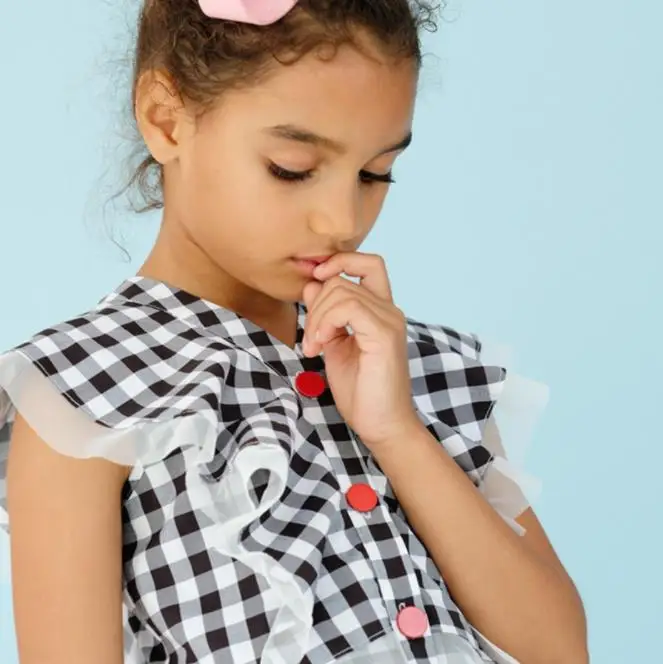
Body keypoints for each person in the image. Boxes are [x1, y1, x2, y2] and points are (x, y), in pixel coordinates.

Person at [0, 1, 588, 663]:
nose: (341, 220)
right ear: (165, 119)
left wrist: (396, 432)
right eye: (292, 167)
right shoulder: (83, 394)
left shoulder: (417, 368)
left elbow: (559, 652)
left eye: (374, 173)